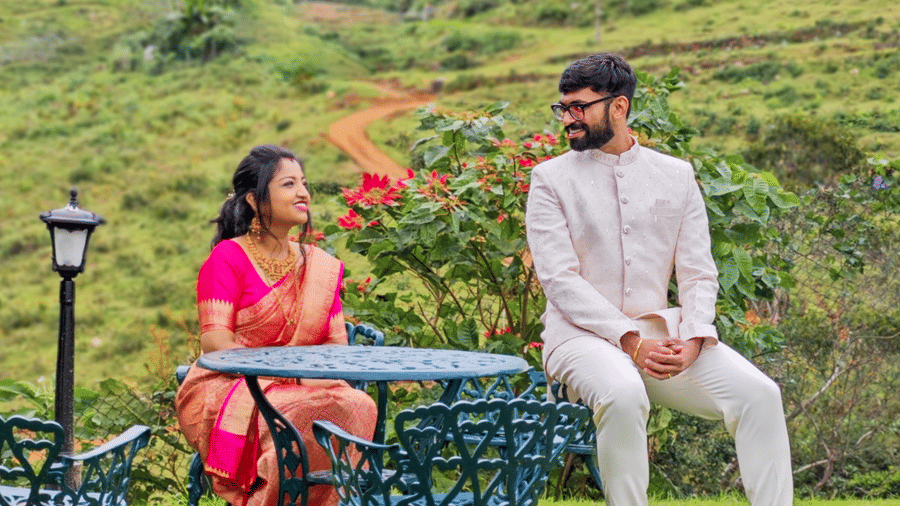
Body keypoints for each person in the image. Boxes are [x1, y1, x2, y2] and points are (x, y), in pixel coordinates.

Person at [525, 53, 793, 506]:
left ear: (619, 107)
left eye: (579, 107)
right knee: (624, 393)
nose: (568, 119)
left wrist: (695, 338)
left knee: (760, 396)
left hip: (663, 339)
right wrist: (630, 341)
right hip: (577, 340)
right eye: (563, 108)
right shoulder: (550, 179)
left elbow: (698, 272)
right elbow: (559, 280)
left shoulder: (676, 175)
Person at [176, 144, 377, 506]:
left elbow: (336, 348)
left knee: (359, 404)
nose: (303, 193)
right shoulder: (227, 258)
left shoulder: (319, 266)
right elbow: (216, 344)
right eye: (289, 184)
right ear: (255, 200)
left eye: (304, 183)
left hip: (304, 383)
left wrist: (299, 377)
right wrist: (282, 375)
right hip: (234, 382)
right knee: (294, 413)